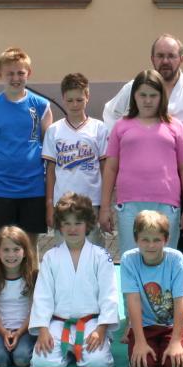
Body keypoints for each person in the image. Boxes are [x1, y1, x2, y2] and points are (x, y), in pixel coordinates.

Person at [104, 34, 183, 311]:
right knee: (136, 254)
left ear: (181, 58)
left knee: (182, 248)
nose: (165, 61)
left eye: (171, 55)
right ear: (152, 58)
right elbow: (111, 116)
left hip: (181, 171)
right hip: (133, 191)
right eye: (160, 56)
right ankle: (137, 314)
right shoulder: (131, 98)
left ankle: (180, 311)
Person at [0, 47, 53, 271]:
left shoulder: (41, 106)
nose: (16, 78)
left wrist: (51, 194)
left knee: (29, 247)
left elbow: (51, 152)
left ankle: (32, 298)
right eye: (10, 73)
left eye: (20, 73)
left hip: (32, 188)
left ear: (29, 73)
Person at [100, 69, 183, 258]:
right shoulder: (121, 126)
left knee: (165, 259)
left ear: (162, 96)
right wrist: (105, 207)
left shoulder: (175, 126)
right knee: (132, 258)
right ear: (134, 96)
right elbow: (111, 168)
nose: (147, 100)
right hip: (129, 205)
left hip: (167, 204)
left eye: (153, 95)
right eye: (142, 95)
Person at [29, 194, 119, 367]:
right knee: (42, 362)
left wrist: (101, 329)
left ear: (87, 225)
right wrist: (43, 329)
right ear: (59, 226)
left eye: (78, 223)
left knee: (98, 362)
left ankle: (78, 352)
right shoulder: (50, 257)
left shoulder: (100, 256)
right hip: (58, 323)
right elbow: (43, 295)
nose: (72, 229)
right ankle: (68, 352)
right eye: (67, 223)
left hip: (90, 324)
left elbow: (109, 295)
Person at [121, 210, 183, 367]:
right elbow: (134, 302)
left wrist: (175, 341)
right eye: (145, 239)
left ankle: (168, 347)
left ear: (166, 240)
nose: (150, 245)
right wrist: (139, 341)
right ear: (136, 239)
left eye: (156, 240)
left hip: (172, 326)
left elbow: (181, 301)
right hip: (144, 327)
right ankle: (152, 351)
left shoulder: (176, 259)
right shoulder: (128, 260)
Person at [43, 72, 110, 248]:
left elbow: (105, 169)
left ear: (87, 97)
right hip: (62, 204)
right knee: (63, 251)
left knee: (93, 250)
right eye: (70, 100)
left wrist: (106, 205)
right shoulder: (54, 130)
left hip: (92, 202)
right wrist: (49, 204)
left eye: (79, 100)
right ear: (63, 98)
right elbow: (50, 171)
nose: (74, 104)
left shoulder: (99, 129)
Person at [0, 225, 39, 367]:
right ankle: (5, 349)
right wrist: (4, 333)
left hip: (26, 329)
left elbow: (35, 310)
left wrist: (19, 333)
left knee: (22, 359)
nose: (11, 255)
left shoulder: (32, 277)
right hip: (0, 329)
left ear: (25, 252)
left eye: (16, 250)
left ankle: (22, 347)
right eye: (6, 250)